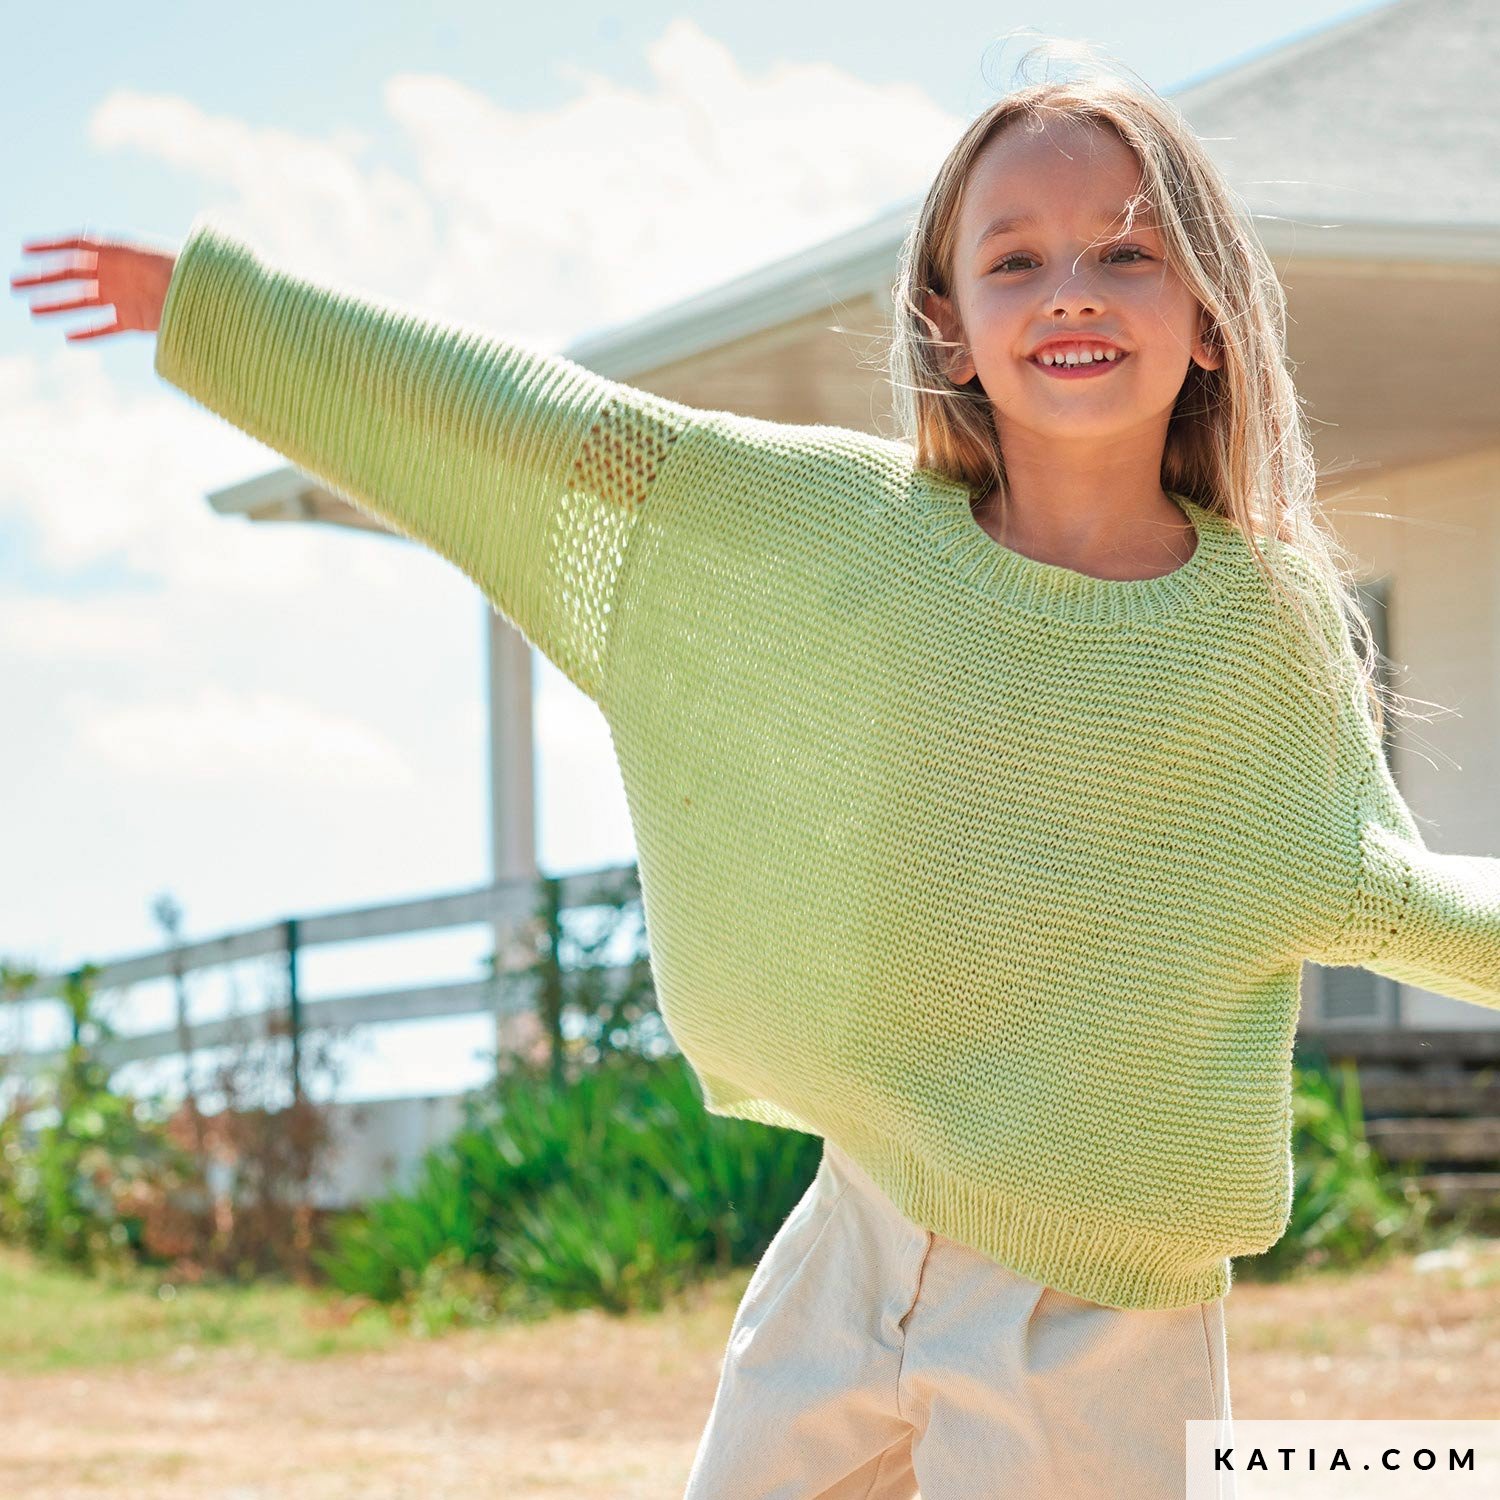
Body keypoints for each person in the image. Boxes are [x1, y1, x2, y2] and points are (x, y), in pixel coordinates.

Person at [13, 50, 1498, 1500]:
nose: (1071, 294)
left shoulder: (1269, 626)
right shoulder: (848, 538)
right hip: (858, 1235)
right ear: (947, 325)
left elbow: (1362, 882)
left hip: (1102, 1312)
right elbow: (541, 434)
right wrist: (221, 311)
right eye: (1017, 260)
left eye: (1125, 253)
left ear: (1213, 318)